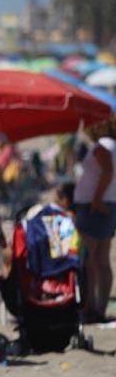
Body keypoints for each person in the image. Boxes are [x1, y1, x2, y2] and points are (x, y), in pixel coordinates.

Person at [75, 118, 116, 322]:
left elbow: (107, 170)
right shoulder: (112, 144)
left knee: (88, 259)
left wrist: (97, 199)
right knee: (101, 259)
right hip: (107, 204)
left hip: (96, 207)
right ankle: (98, 308)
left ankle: (89, 306)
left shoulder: (103, 146)